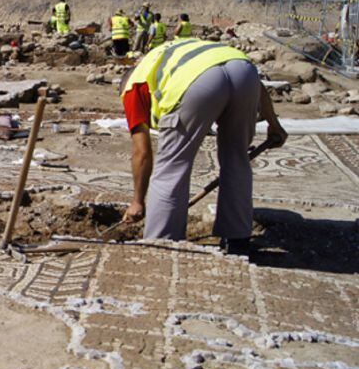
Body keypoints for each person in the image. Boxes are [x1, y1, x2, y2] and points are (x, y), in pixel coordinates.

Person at [120, 39, 288, 251]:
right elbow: (258, 87)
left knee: (172, 166)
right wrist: (274, 124)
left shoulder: (134, 86)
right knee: (237, 159)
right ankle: (237, 240)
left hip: (199, 83)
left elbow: (142, 153)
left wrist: (137, 202)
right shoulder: (171, 54)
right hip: (244, 71)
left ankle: (161, 244)